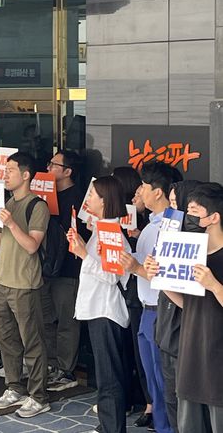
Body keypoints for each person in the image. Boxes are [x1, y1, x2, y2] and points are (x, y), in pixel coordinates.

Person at [144, 182, 223, 432]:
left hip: (217, 361)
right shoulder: (192, 253)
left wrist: (214, 285)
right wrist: (160, 278)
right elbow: (188, 305)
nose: (186, 217)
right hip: (190, 356)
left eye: (193, 211)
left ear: (214, 217)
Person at [119, 161, 181, 433]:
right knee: (153, 379)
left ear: (158, 191)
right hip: (147, 308)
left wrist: (134, 267)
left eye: (144, 186)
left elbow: (166, 274)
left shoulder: (171, 226)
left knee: (163, 378)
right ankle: (160, 424)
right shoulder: (151, 224)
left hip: (162, 309)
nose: (139, 191)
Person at [0, 152, 51, 418]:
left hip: (24, 284)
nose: (5, 175)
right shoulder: (8, 202)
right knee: (6, 339)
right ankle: (14, 387)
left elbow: (32, 245)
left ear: (26, 175)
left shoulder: (37, 206)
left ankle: (39, 396)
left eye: (10, 170)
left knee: (32, 341)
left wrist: (12, 223)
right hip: (1, 280)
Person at [67, 176, 131, 433]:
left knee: (109, 376)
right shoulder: (101, 230)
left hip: (106, 311)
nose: (88, 199)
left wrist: (84, 254)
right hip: (98, 309)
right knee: (105, 374)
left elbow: (111, 276)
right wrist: (82, 247)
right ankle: (107, 425)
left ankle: (112, 428)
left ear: (105, 200)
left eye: (93, 194)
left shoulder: (111, 233)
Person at [153, 179, 199, 433]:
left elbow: (195, 304)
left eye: (175, 204)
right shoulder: (168, 236)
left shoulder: (200, 244)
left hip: (187, 335)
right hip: (166, 332)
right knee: (170, 397)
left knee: (187, 405)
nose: (171, 210)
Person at [112, 165, 153, 427]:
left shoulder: (153, 223)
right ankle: (137, 398)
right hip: (132, 291)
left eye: (143, 190)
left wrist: (136, 238)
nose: (138, 195)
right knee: (135, 351)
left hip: (148, 296)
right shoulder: (123, 217)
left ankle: (151, 405)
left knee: (149, 356)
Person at [43, 150, 85, 392]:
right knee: (47, 319)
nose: (48, 168)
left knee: (67, 322)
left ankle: (66, 371)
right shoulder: (43, 194)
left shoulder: (78, 198)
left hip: (69, 269)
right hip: (45, 267)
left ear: (67, 171)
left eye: (54, 164)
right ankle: (51, 365)